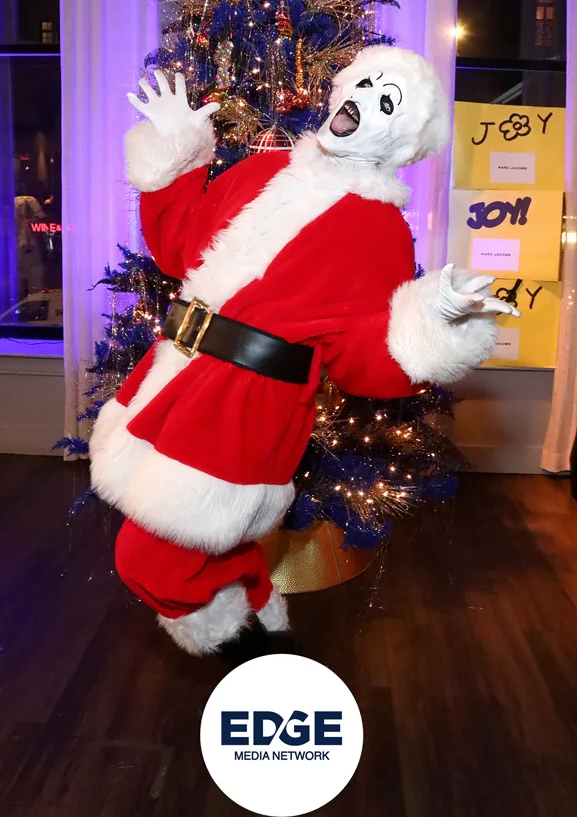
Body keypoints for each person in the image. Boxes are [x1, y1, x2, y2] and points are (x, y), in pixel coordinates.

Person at [90, 45, 518, 660]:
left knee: (149, 557)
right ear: (340, 89)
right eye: (364, 85)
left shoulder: (379, 229)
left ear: (400, 141)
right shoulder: (265, 170)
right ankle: (264, 620)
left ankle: (241, 645)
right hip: (173, 372)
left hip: (247, 404)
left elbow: (366, 360)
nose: (364, 100)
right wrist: (175, 155)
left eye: (387, 102)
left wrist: (435, 322)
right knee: (194, 538)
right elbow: (181, 245)